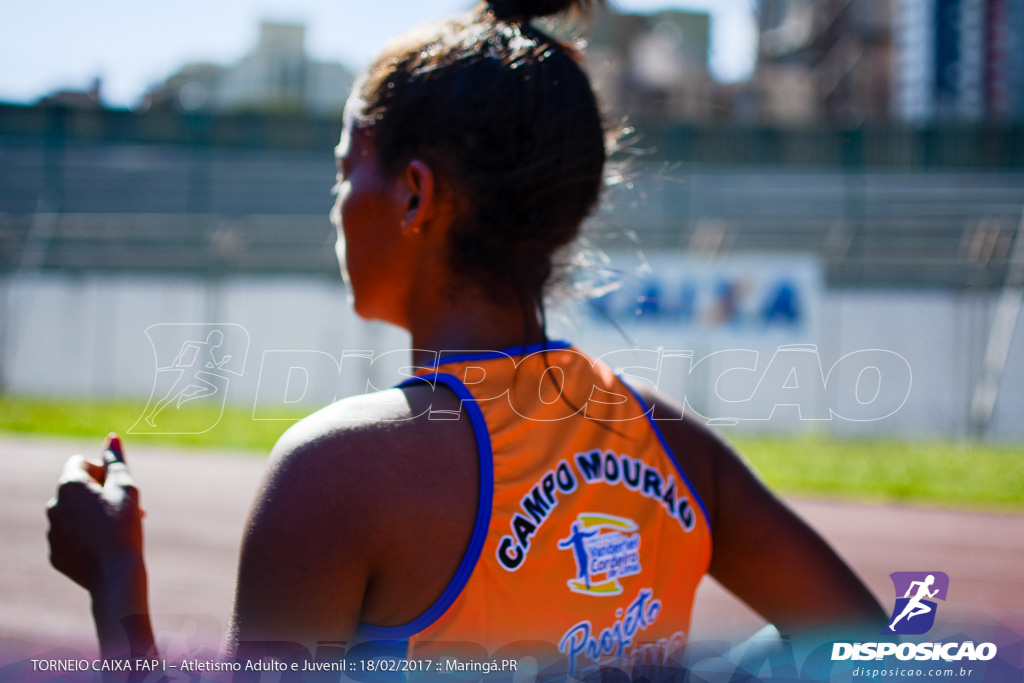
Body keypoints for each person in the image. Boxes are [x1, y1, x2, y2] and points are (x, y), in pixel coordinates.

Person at [46, 0, 886, 678]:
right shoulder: (680, 450)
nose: (336, 205)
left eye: (345, 169)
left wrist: (115, 583)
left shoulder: (336, 472)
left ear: (414, 195)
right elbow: (870, 648)